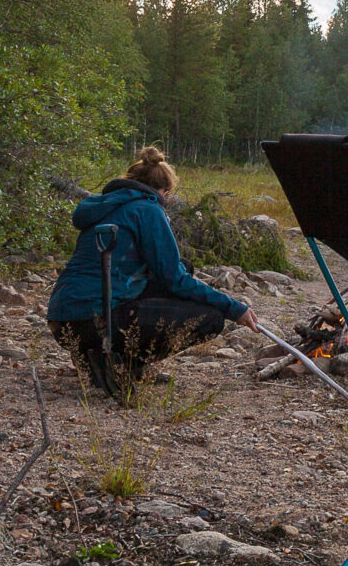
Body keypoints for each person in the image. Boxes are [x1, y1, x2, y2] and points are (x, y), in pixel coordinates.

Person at [47, 147, 259, 398]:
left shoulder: (102, 206)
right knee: (211, 318)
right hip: (98, 321)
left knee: (184, 266)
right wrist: (233, 308)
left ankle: (95, 355)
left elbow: (169, 271)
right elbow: (175, 280)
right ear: (165, 192)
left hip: (62, 320)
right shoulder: (148, 209)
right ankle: (119, 361)